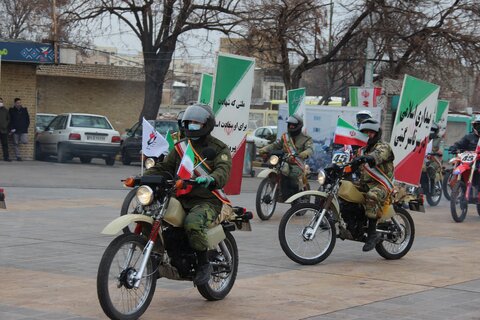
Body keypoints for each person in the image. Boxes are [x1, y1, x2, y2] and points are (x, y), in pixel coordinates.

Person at [144, 103, 232, 286]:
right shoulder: (180, 147)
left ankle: (203, 263)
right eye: (189, 122)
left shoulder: (219, 149)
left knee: (192, 222)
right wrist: (142, 177)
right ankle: (163, 260)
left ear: (206, 125)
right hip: (181, 197)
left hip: (207, 200)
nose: (192, 125)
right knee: (159, 219)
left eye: (196, 123)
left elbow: (223, 171)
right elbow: (164, 168)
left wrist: (210, 179)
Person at [351, 118, 394, 252]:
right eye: (365, 132)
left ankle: (372, 234)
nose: (368, 134)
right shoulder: (361, 150)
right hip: (365, 183)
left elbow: (377, 156)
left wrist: (367, 158)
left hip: (381, 184)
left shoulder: (383, 146)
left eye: (371, 132)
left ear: (377, 133)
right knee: (343, 189)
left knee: (372, 196)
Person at [258, 114, 313, 200]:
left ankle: (295, 195)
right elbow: (274, 145)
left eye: (293, 125)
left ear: (298, 126)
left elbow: (310, 149)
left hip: (296, 164)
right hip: (283, 161)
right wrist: (264, 149)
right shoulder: (285, 137)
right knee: (278, 169)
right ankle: (279, 190)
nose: (291, 126)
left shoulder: (306, 138)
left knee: (292, 176)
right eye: (289, 124)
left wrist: (303, 154)